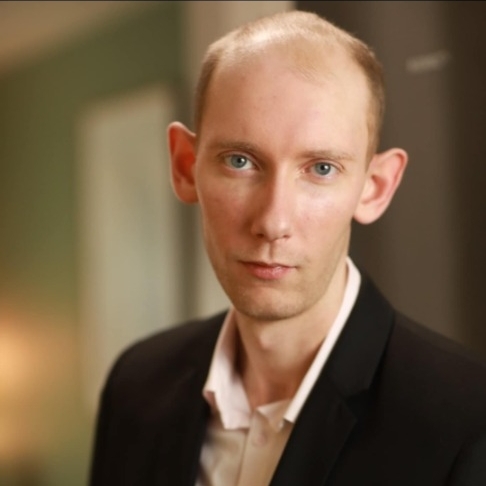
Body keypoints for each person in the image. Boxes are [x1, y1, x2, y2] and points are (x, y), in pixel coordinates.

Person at [89, 10, 486, 486]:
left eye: (321, 169)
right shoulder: (135, 385)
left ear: (375, 187)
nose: (273, 222)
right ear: (185, 166)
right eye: (240, 161)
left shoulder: (468, 420)